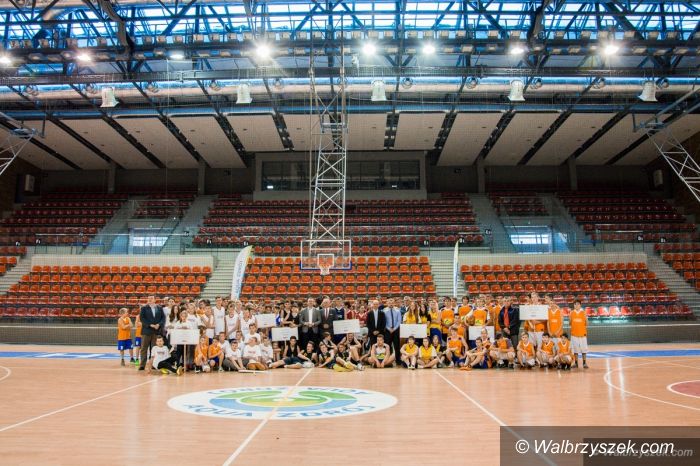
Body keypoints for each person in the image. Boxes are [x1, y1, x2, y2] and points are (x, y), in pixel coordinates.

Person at [138, 295, 165, 371]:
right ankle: (142, 365)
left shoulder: (159, 308)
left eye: (151, 298)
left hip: (156, 331)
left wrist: (158, 324)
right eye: (149, 298)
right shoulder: (144, 308)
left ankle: (153, 364)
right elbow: (142, 319)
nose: (150, 299)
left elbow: (163, 318)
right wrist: (150, 325)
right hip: (146, 331)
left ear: (154, 300)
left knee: (154, 349)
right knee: (144, 348)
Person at [569, 300, 589, 369]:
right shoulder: (571, 313)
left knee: (584, 350)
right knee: (575, 350)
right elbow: (570, 323)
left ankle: (584, 363)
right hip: (574, 334)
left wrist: (586, 318)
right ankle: (576, 363)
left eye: (578, 304)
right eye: (575, 304)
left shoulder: (584, 313)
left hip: (582, 334)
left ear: (580, 305)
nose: (576, 305)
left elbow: (587, 323)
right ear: (573, 305)